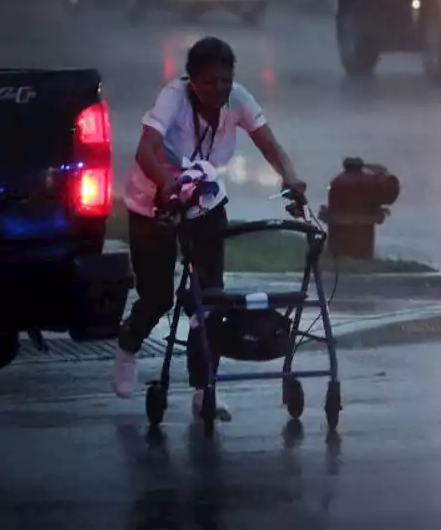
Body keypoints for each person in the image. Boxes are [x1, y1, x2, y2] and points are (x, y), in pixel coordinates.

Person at [111, 37, 307, 422]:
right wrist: (166, 185)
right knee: (158, 298)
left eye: (224, 81)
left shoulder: (238, 99)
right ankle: (128, 343)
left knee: (209, 299)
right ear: (191, 80)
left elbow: (270, 144)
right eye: (209, 82)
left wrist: (291, 179)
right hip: (154, 203)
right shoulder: (173, 98)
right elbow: (145, 149)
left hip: (204, 200)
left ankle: (205, 391)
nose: (217, 90)